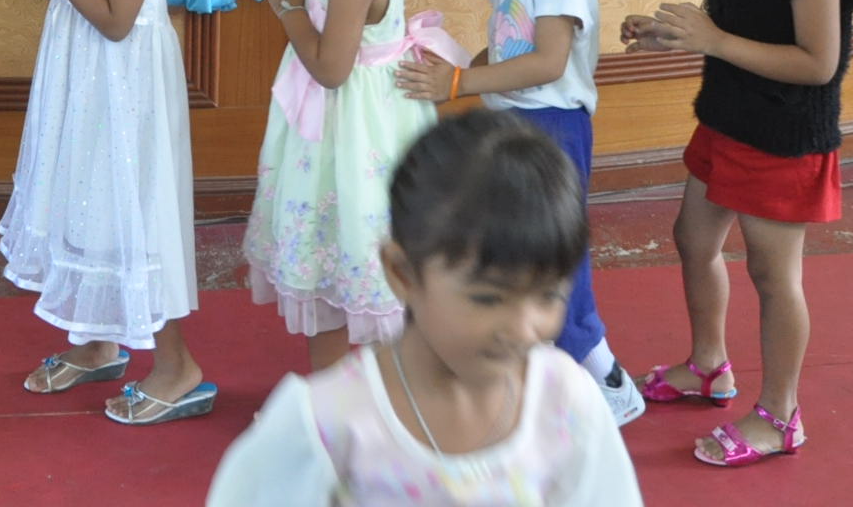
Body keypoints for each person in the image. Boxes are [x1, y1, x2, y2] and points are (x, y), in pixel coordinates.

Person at [207, 111, 644, 505]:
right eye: (488, 298)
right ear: (402, 273)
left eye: (548, 295)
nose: (522, 327)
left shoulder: (565, 402)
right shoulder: (327, 424)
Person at [621, 0, 853, 468]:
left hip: (781, 138)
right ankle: (709, 365)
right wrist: (674, 34)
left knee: (772, 274)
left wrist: (715, 40)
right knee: (692, 238)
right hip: (728, 118)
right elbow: (739, 23)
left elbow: (818, 64)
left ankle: (781, 415)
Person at [396, 0, 646, 426]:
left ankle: (606, 378)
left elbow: (547, 62)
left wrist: (460, 84)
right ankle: (537, 373)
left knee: (554, 259)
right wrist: (456, 68)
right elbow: (510, 50)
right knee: (518, 253)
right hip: (515, 128)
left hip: (552, 129)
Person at [0, 0, 213, 425]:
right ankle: (95, 344)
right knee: (83, 201)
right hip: (79, 80)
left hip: (127, 87)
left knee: (133, 211)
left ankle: (177, 367)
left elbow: (118, 21)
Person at [245, 0, 447, 372]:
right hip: (352, 126)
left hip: (348, 136)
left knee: (339, 255)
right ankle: (341, 394)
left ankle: (354, 397)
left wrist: (288, 6)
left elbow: (331, 69)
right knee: (335, 260)